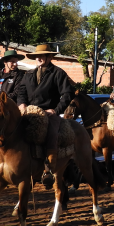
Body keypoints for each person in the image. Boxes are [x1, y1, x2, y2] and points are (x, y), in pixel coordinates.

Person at [16, 44, 75, 187]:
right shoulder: (29, 74)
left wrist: (55, 110)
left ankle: (48, 168)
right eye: (37, 56)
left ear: (49, 57)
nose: (38, 58)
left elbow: (67, 94)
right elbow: (21, 91)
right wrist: (21, 104)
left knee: (52, 133)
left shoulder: (58, 73)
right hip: (29, 111)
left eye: (41, 56)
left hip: (49, 113)